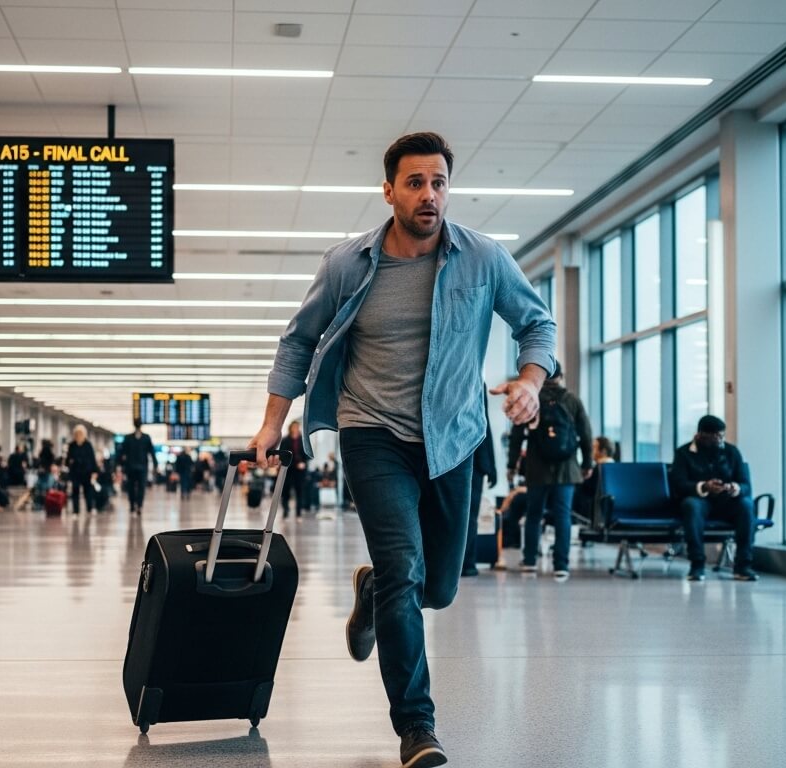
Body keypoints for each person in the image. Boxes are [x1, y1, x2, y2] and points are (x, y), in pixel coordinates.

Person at [245, 131, 556, 768]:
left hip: (453, 437)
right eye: (414, 183)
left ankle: (373, 592)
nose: (429, 195)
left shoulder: (483, 258)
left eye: (438, 182)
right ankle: (417, 726)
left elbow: (537, 322)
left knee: (439, 587)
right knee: (404, 568)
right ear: (388, 191)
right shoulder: (346, 264)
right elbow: (297, 343)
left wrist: (530, 380)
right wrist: (273, 423)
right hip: (371, 432)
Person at [505, 360, 592, 581]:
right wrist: (587, 464)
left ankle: (530, 562)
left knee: (534, 514)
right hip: (567, 468)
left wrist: (512, 465)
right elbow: (586, 435)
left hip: (537, 467)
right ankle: (561, 565)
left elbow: (516, 437)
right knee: (563, 515)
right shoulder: (572, 401)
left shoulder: (532, 401)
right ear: (561, 377)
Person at [671, 415, 758, 582]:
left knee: (746, 505)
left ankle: (743, 565)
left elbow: (746, 484)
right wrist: (704, 486)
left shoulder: (732, 452)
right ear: (701, 436)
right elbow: (679, 484)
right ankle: (697, 564)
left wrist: (735, 488)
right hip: (700, 500)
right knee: (691, 506)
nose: (720, 439)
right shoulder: (683, 454)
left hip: (726, 501)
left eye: (721, 435)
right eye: (715, 436)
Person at [460, 414, 497, 577]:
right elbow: (484, 424)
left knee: (460, 515)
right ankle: (467, 563)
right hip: (475, 459)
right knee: (470, 517)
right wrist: (491, 466)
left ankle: (459, 563)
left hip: (452, 457)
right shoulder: (478, 386)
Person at [118, 420, 156, 515]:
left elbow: (151, 452)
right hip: (131, 467)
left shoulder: (146, 438)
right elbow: (122, 453)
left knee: (141, 487)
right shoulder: (128, 438)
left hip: (142, 467)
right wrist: (120, 465)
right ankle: (132, 505)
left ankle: (139, 505)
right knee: (131, 487)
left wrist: (155, 464)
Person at [66, 425, 98, 515]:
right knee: (75, 491)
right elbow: (68, 460)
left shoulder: (88, 445)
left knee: (87, 491)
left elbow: (92, 459)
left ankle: (89, 508)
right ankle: (75, 511)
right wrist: (70, 462)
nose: (79, 435)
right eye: (77, 433)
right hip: (75, 472)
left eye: (81, 433)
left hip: (86, 472)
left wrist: (94, 471)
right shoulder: (72, 445)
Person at [280, 421, 309, 517]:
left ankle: (298, 513)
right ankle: (285, 510)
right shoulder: (285, 440)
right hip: (288, 469)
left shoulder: (303, 440)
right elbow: (282, 455)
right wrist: (294, 464)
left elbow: (307, 454)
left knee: (299, 491)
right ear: (290, 428)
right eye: (294, 427)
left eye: (297, 427)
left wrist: (303, 463)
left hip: (300, 471)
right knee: (286, 491)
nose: (295, 428)